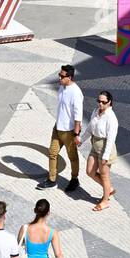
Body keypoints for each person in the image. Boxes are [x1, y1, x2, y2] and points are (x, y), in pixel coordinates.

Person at [39, 65, 83, 193]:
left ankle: (74, 179)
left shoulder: (76, 92)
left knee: (73, 157)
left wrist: (76, 134)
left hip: (69, 131)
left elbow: (78, 116)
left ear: (69, 77)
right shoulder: (62, 87)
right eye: (59, 74)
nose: (59, 77)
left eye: (62, 76)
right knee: (52, 153)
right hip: (58, 127)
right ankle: (52, 180)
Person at [82, 89, 118, 210]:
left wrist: (105, 156)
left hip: (105, 147)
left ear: (109, 102)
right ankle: (109, 189)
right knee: (89, 171)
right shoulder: (95, 112)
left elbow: (111, 139)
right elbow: (90, 128)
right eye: (99, 101)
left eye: (103, 102)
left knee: (104, 176)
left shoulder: (111, 118)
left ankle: (105, 201)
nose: (100, 104)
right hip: (95, 144)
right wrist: (81, 140)